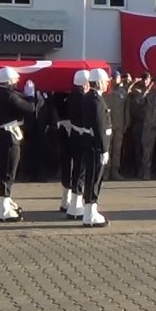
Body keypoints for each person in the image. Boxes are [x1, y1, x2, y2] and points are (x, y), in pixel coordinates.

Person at [0, 67, 37, 222]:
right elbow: (29, 108)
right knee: (7, 172)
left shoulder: (0, 94)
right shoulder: (8, 96)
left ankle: (6, 201)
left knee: (6, 171)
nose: (17, 82)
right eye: (15, 79)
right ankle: (3, 209)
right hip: (8, 137)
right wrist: (30, 96)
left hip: (4, 135)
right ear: (8, 80)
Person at [80, 68, 112, 227]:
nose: (107, 84)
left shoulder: (87, 98)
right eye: (106, 81)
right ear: (99, 82)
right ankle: (90, 213)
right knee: (94, 179)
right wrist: (104, 148)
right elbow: (100, 127)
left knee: (91, 177)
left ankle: (89, 211)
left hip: (89, 141)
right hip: (95, 145)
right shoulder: (96, 101)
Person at [56, 70, 90, 218]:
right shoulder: (82, 97)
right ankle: (75, 205)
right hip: (79, 135)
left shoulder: (67, 96)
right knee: (79, 168)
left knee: (68, 165)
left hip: (68, 132)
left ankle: (66, 200)